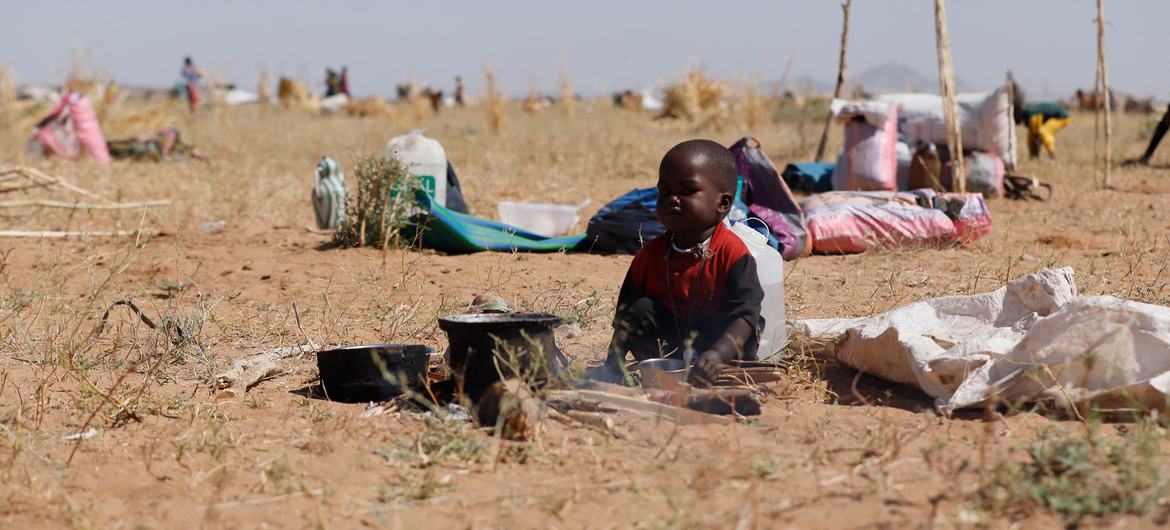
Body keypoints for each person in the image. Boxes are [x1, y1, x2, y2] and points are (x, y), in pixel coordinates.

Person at [599, 139, 764, 384]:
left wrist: (718, 355)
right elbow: (626, 315)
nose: (672, 199)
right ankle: (665, 373)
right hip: (672, 347)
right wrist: (613, 367)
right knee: (639, 308)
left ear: (723, 203)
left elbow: (746, 313)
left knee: (743, 329)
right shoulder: (650, 256)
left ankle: (712, 370)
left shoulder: (732, 253)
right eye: (665, 191)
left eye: (687, 191)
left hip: (724, 347)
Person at [33, 88, 110, 164]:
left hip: (85, 130)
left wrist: (40, 125)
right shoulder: (83, 100)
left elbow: (55, 113)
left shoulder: (72, 100)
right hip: (88, 129)